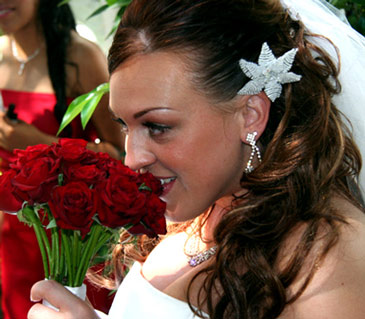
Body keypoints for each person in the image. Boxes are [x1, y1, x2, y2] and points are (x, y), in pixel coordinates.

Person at [28, 0, 365, 318]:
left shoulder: (330, 262)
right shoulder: (192, 211)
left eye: (158, 126)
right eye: (124, 125)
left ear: (250, 114)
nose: (132, 160)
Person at [0, 0, 123, 318]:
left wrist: (37, 143)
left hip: (69, 240)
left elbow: (120, 152)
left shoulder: (81, 56)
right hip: (11, 236)